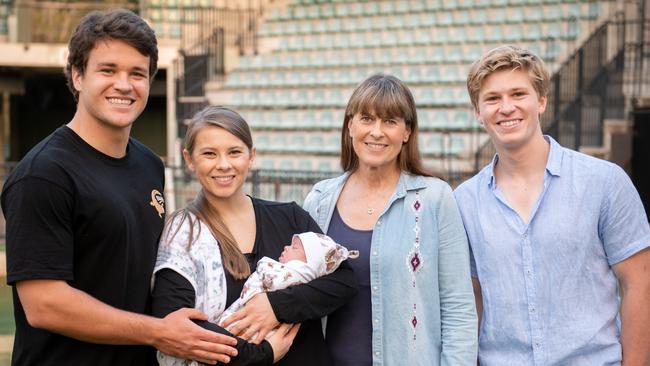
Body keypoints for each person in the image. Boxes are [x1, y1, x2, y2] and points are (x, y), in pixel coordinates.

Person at [0, 9, 240, 366]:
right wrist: (158, 332)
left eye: (137, 74)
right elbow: (45, 305)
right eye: (108, 70)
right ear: (77, 75)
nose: (124, 85)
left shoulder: (148, 164)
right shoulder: (44, 174)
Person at [455, 45, 650, 365]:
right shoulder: (463, 201)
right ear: (478, 111)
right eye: (492, 98)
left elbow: (640, 283)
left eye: (518, 94)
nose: (506, 107)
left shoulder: (604, 182)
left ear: (541, 100)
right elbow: (472, 300)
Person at [151, 106, 357, 366]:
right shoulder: (183, 234)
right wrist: (264, 354)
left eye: (234, 152)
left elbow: (343, 281)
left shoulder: (290, 217)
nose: (223, 164)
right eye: (209, 154)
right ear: (189, 159)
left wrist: (274, 307)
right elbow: (177, 323)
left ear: (252, 156)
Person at [303, 73, 478, 366]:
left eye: (390, 121)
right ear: (350, 126)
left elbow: (458, 306)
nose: (377, 132)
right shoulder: (319, 201)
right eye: (367, 119)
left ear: (407, 132)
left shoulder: (436, 199)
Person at [218, 231, 358, 334]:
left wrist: (264, 264)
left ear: (309, 263)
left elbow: (274, 282)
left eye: (294, 248)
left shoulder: (297, 273)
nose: (286, 247)